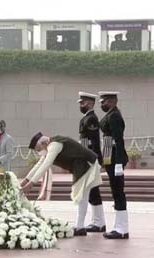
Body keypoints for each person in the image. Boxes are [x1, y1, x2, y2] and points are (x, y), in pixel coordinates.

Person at [21, 133, 103, 236]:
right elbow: (39, 165)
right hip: (82, 165)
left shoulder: (54, 145)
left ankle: (80, 227)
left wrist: (31, 184)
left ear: (44, 143)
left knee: (81, 196)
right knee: (91, 195)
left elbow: (46, 164)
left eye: (38, 149)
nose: (39, 152)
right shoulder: (48, 148)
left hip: (86, 165)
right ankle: (100, 223)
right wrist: (25, 181)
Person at [99, 91, 129, 239]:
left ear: (112, 101)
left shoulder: (114, 116)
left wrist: (118, 162)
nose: (102, 105)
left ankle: (122, 228)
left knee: (118, 192)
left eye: (104, 102)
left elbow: (118, 140)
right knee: (115, 191)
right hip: (110, 157)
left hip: (115, 157)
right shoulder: (111, 114)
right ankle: (119, 226)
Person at [77, 92, 106, 233]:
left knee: (89, 191)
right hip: (87, 158)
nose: (80, 106)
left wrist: (94, 160)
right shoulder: (86, 118)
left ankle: (98, 222)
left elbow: (94, 142)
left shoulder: (91, 119)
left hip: (90, 159)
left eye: (82, 103)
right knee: (93, 191)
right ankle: (99, 222)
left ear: (89, 103)